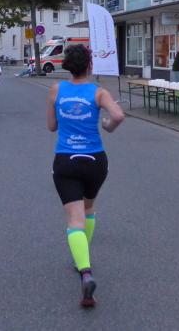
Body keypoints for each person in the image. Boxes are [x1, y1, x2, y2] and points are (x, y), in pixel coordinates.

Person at [46, 45, 124, 308]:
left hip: (66, 160)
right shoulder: (99, 92)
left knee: (74, 220)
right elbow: (118, 115)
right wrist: (107, 126)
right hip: (95, 161)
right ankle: (83, 259)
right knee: (89, 208)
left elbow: (51, 126)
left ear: (68, 65)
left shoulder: (56, 90)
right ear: (89, 66)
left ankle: (85, 270)